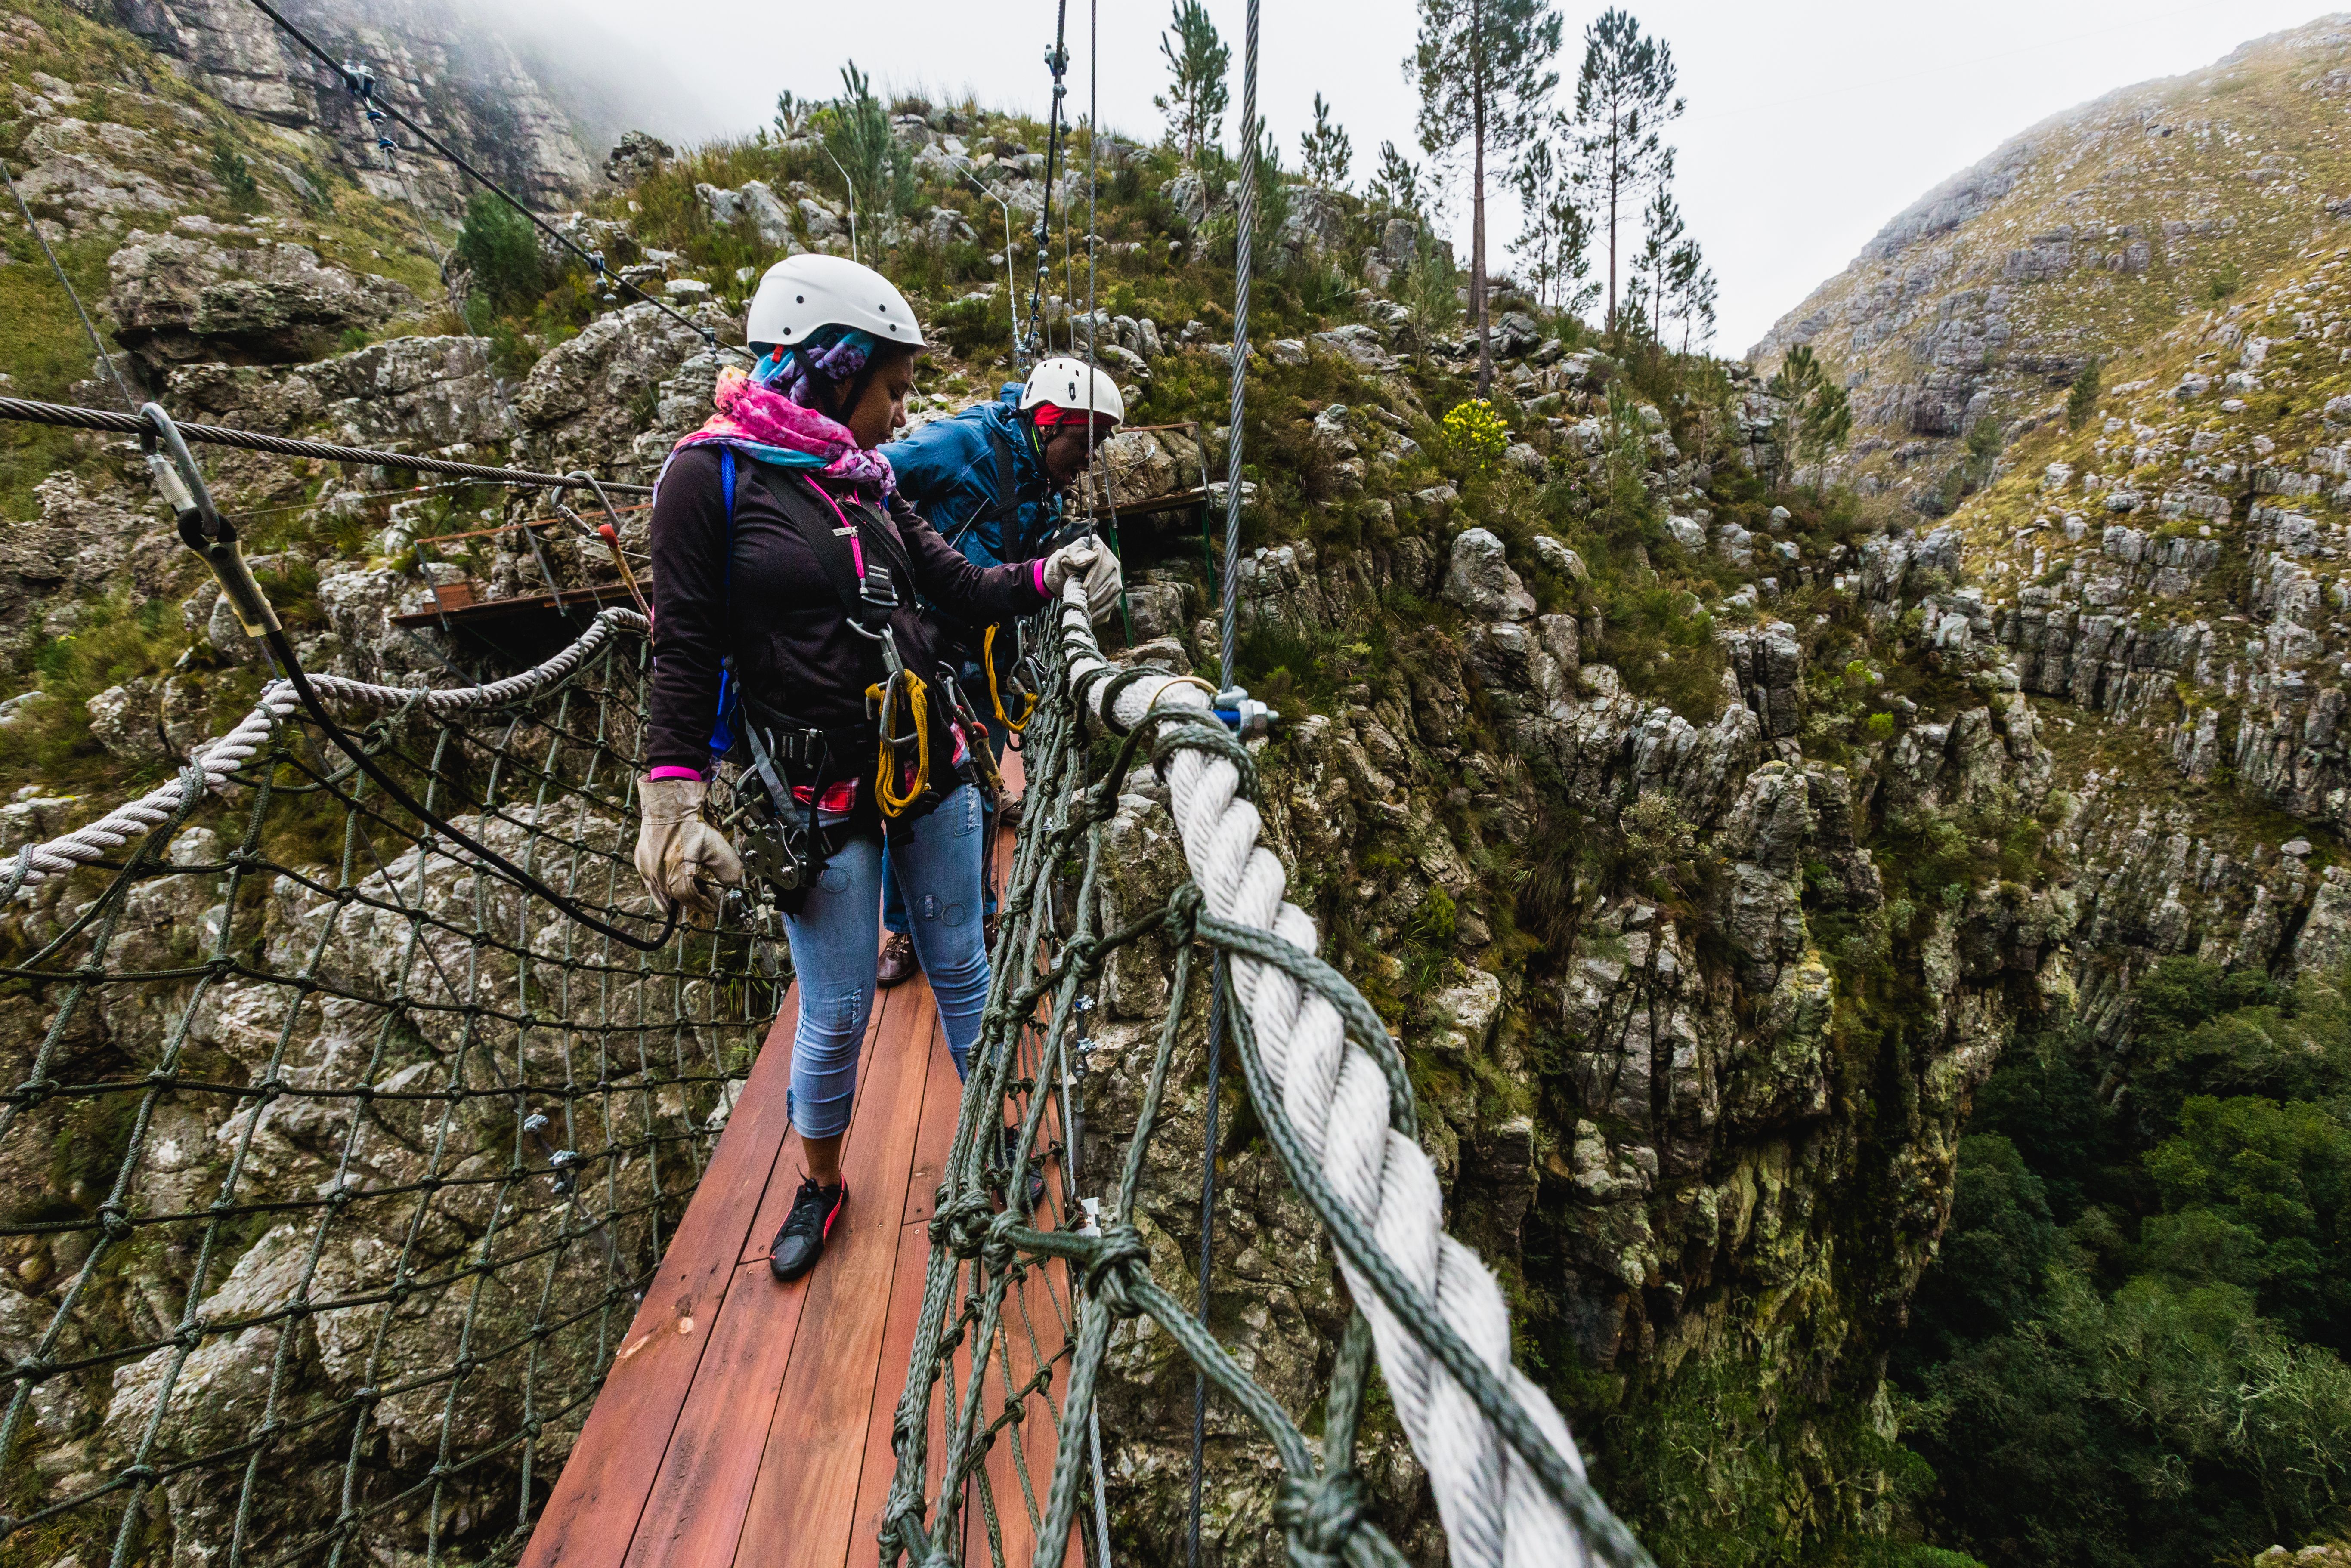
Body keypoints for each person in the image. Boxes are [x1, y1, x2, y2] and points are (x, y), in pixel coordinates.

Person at [632, 255, 1122, 1284]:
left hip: (928, 760)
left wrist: (1052, 572)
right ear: (835, 363)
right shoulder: (708, 478)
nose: (902, 414)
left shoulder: (867, 482)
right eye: (892, 387)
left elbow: (958, 584)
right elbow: (682, 647)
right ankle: (820, 1182)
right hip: (817, 797)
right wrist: (671, 804)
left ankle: (988, 1130)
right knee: (838, 1011)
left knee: (962, 965)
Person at [872, 355, 1127, 988]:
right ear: (1048, 422)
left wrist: (1081, 550)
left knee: (981, 786)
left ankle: (980, 911)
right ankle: (906, 928)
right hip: (923, 655)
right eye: (1084, 442)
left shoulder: (1043, 476)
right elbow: (869, 481)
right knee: (912, 789)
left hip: (984, 655)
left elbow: (1028, 548)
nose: (1089, 459)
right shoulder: (963, 443)